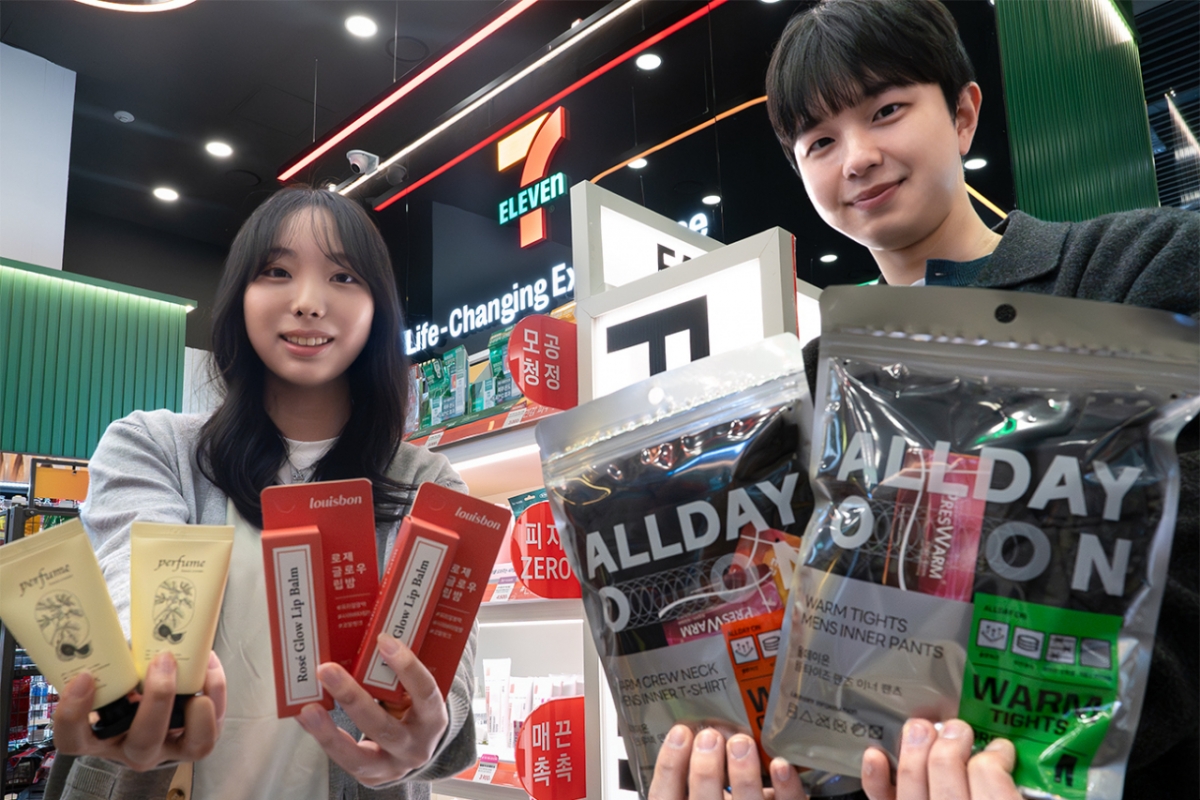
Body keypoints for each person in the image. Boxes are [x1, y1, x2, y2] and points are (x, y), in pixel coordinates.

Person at [650, 0, 1198, 798]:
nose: (859, 158)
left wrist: (1005, 750)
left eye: (886, 111)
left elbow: (1182, 581)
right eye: (820, 141)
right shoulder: (811, 387)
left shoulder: (1131, 273)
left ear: (964, 114)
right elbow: (788, 628)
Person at [46, 186, 475, 800]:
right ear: (239, 296)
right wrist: (137, 677)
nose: (308, 303)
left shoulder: (425, 485)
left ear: (378, 309)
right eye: (276, 271)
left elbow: (449, 669)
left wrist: (428, 729)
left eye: (343, 276)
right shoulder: (153, 447)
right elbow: (132, 581)